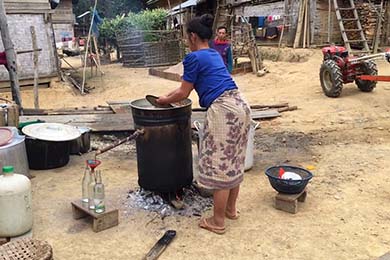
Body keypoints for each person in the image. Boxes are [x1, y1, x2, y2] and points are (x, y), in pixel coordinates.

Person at [157, 14, 251, 235]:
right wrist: (163, 96)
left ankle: (218, 222)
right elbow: (182, 90)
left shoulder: (193, 58)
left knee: (220, 167)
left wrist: (162, 101)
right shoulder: (213, 54)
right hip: (241, 105)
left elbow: (183, 91)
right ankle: (230, 210)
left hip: (224, 111)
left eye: (185, 37)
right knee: (234, 161)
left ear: (192, 36)